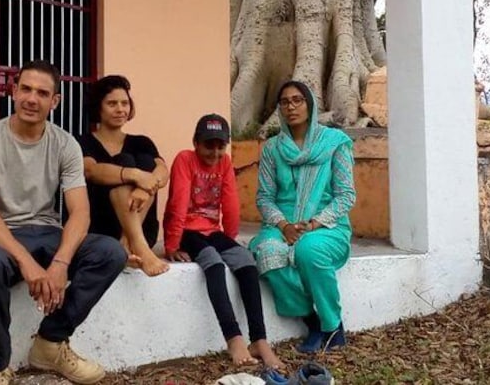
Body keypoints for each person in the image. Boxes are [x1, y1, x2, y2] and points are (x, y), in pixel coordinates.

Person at [0, 60, 126, 385]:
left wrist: (61, 262)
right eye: (25, 89)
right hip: (0, 235)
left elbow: (80, 212)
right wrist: (27, 263)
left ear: (55, 101)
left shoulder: (65, 144)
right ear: (13, 91)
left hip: (47, 233)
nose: (31, 99)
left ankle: (50, 343)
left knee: (110, 252)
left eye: (42, 93)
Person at [164, 114, 284, 370]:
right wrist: (172, 244)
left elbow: (230, 201)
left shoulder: (225, 162)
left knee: (245, 262)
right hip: (186, 229)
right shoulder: (185, 159)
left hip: (211, 230)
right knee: (213, 263)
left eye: (221, 145)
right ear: (196, 143)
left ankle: (259, 340)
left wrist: (230, 239)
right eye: (209, 145)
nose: (215, 152)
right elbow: (178, 203)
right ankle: (234, 339)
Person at [248, 81, 356, 353]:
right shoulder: (273, 149)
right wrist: (284, 225)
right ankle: (314, 322)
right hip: (282, 225)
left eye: (298, 100)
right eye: (285, 102)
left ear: (310, 105)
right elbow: (264, 197)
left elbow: (345, 195)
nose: (291, 107)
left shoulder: (335, 143)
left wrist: (313, 223)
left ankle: (333, 327)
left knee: (308, 250)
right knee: (268, 251)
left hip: (327, 226)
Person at [78, 75, 170, 277]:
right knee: (125, 160)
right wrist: (136, 176)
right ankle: (136, 246)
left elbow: (162, 173)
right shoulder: (82, 142)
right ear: (98, 108)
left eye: (125, 103)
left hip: (145, 230)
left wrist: (144, 188)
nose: (120, 109)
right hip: (100, 228)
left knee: (147, 161)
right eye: (112, 103)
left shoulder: (142, 142)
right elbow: (90, 170)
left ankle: (128, 243)